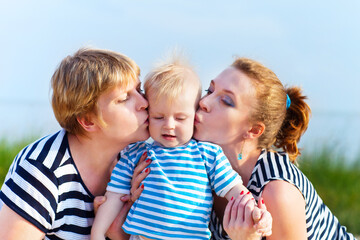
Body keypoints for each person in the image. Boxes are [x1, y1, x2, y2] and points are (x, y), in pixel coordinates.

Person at [91, 55, 272, 240]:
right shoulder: (135, 154)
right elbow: (113, 197)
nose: (169, 125)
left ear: (194, 116)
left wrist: (257, 213)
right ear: (148, 115)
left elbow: (235, 189)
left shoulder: (208, 155)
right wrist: (96, 234)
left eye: (180, 118)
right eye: (158, 117)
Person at [192, 57, 357, 239]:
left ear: (253, 130)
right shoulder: (195, 162)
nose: (204, 102)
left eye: (226, 101)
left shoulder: (277, 192)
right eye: (210, 90)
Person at [0, 48, 151, 239]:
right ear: (88, 121)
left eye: (139, 90)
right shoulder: (43, 171)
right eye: (124, 99)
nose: (144, 102)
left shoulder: (134, 161)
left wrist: (117, 233)